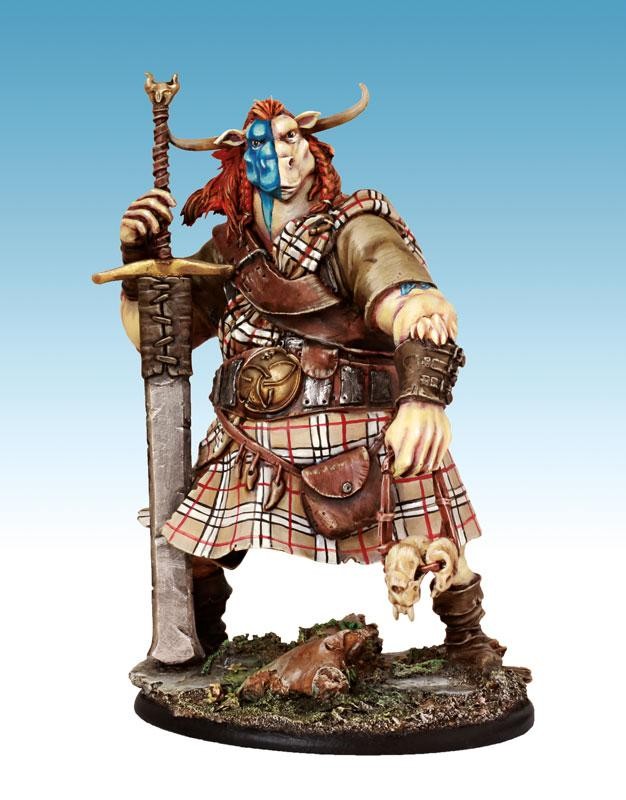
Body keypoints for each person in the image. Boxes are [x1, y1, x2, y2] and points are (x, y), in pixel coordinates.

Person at [118, 88, 505, 668]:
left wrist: (423, 398)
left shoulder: (355, 228)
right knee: (193, 544)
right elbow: (157, 337)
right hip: (248, 439)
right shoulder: (228, 250)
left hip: (360, 426)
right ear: (239, 159)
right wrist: (140, 265)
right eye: (259, 144)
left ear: (311, 147)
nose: (277, 153)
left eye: (289, 137)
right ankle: (198, 640)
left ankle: (468, 642)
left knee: (432, 544)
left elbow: (416, 305)